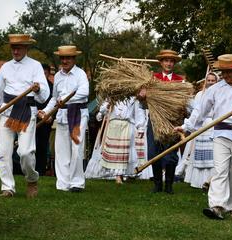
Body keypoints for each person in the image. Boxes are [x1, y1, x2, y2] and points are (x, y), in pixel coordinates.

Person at [175, 54, 232, 219]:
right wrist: (186, 127)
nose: (225, 75)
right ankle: (216, 207)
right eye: (223, 72)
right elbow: (200, 110)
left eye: (229, 72)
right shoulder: (215, 89)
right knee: (220, 171)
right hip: (220, 135)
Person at [0, 34, 50, 198]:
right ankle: (7, 187)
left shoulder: (35, 66)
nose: (15, 50)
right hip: (7, 112)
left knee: (25, 152)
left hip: (26, 112)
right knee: (3, 152)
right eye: (13, 47)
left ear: (26, 48)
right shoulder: (5, 67)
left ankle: (31, 179)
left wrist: (38, 89)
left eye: (19, 47)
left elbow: (45, 94)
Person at [39, 45, 89, 192]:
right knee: (61, 151)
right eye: (62, 58)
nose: (65, 61)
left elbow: (84, 93)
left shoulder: (81, 74)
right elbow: (55, 98)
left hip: (78, 114)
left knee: (77, 149)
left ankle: (77, 183)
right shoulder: (58, 76)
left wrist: (66, 100)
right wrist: (46, 111)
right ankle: (63, 183)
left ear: (74, 59)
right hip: (62, 116)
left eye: (68, 58)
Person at [139, 49, 184, 194]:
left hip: (173, 122)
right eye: (166, 60)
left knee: (171, 153)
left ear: (174, 63)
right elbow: (142, 104)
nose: (169, 63)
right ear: (161, 62)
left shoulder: (181, 81)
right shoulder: (152, 79)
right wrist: (142, 96)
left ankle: (169, 185)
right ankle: (157, 183)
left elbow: (185, 103)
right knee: (154, 152)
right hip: (154, 121)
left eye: (171, 61)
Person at [94, 98, 146, 183]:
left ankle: (122, 174)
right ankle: (117, 174)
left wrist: (140, 127)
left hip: (127, 126)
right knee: (115, 151)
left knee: (124, 152)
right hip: (114, 126)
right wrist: (107, 106)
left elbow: (138, 112)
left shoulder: (133, 98)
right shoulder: (112, 96)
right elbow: (102, 110)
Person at [184, 72, 219, 188]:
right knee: (201, 154)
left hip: (214, 124)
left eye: (212, 80)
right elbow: (196, 111)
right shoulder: (200, 94)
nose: (210, 82)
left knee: (212, 154)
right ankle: (199, 182)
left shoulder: (220, 93)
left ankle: (211, 180)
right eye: (208, 80)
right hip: (201, 125)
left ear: (216, 81)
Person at [35, 64, 54, 176]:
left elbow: (55, 103)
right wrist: (36, 112)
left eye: (45, 73)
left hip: (46, 120)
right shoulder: (34, 86)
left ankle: (41, 170)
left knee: (43, 145)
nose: (43, 75)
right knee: (32, 144)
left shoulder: (52, 87)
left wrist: (50, 116)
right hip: (34, 118)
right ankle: (30, 168)